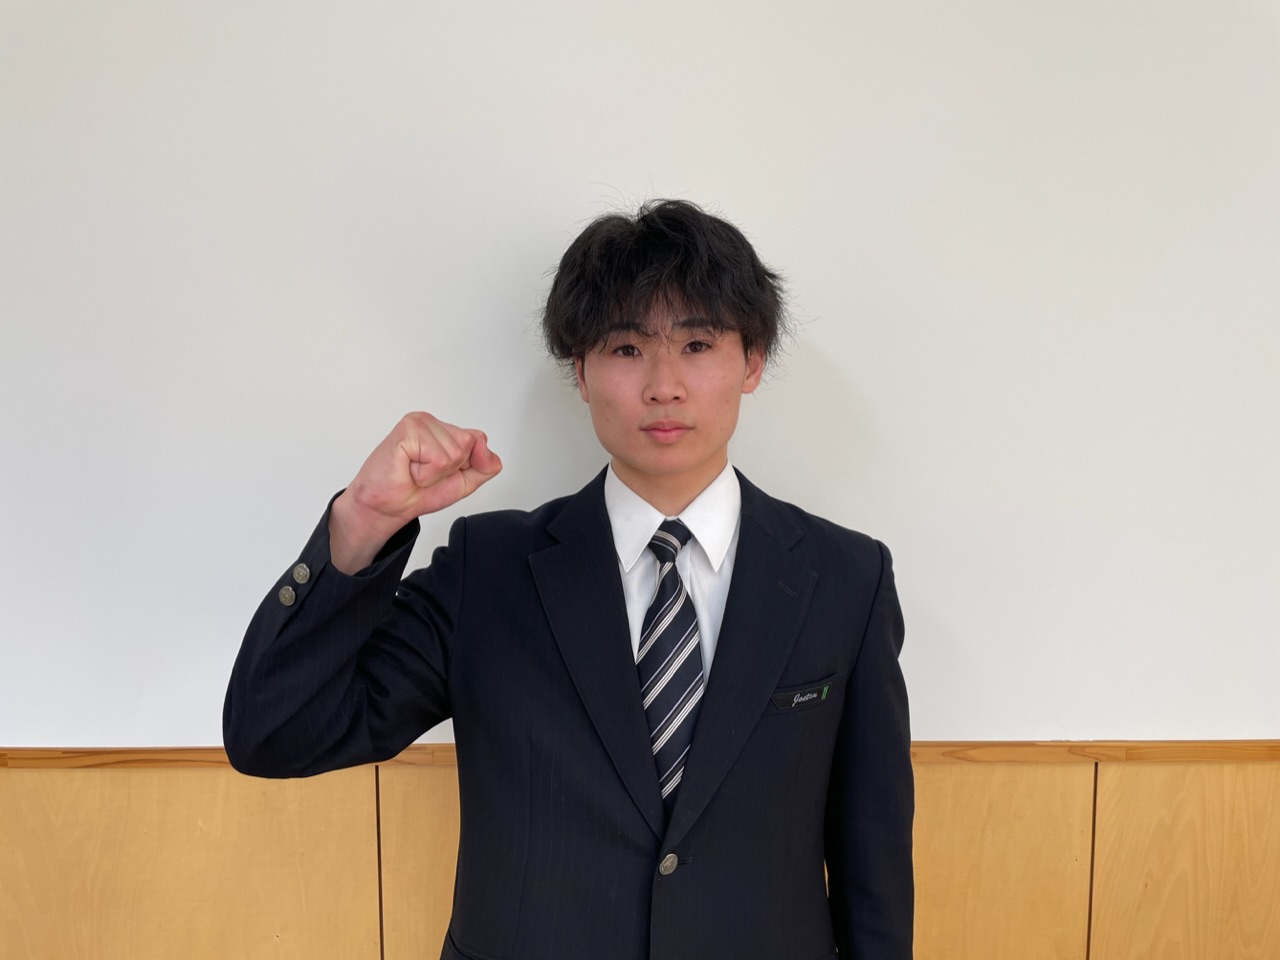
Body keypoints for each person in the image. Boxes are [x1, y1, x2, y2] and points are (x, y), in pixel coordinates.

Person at [224, 199, 913, 960]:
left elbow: (872, 866)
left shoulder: (846, 578)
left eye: (697, 344)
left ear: (751, 361)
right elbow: (275, 734)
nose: (664, 385)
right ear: (580, 371)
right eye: (626, 348)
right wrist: (361, 522)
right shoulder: (488, 570)